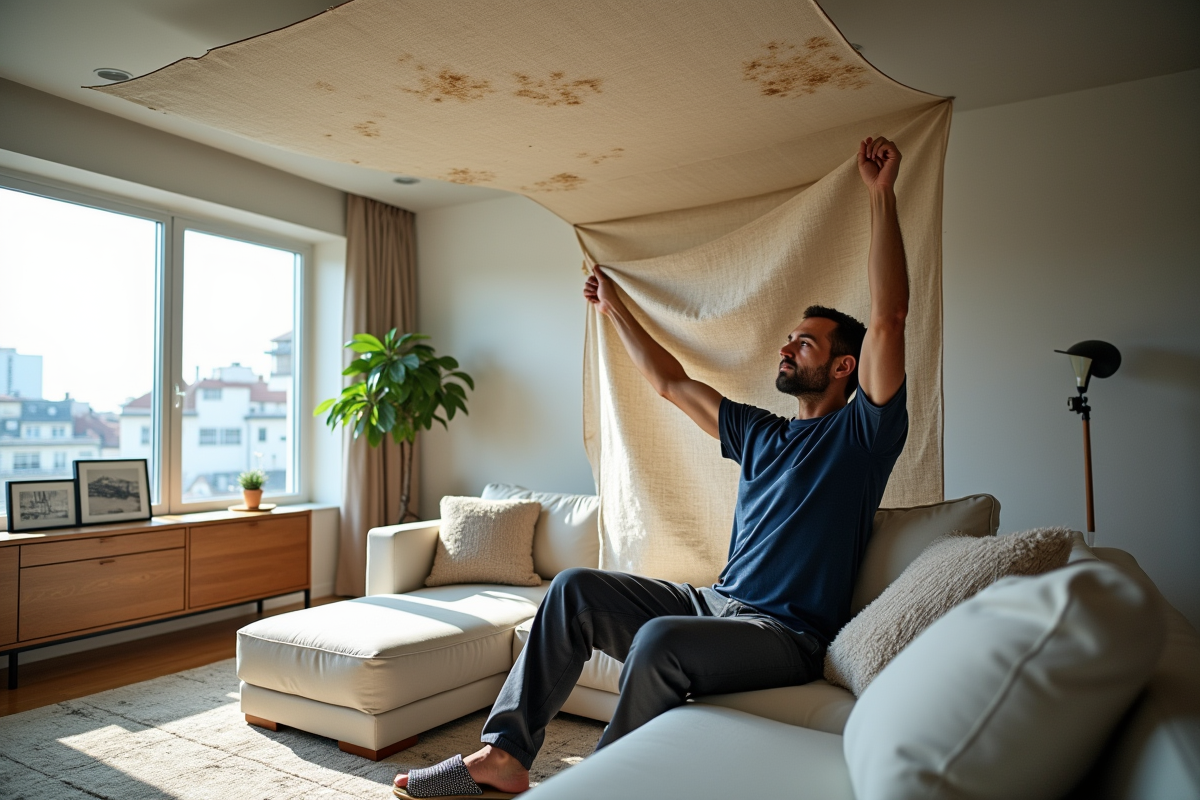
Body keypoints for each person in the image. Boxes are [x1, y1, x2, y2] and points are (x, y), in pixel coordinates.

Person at [394, 136, 910, 799]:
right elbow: (671, 383)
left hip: (782, 634)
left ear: (844, 367)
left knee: (662, 639)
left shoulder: (861, 436)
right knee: (573, 590)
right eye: (789, 338)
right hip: (715, 603)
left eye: (804, 343)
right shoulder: (761, 432)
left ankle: (602, 785)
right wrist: (614, 309)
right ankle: (504, 755)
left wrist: (880, 195)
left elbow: (890, 319)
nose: (787, 348)